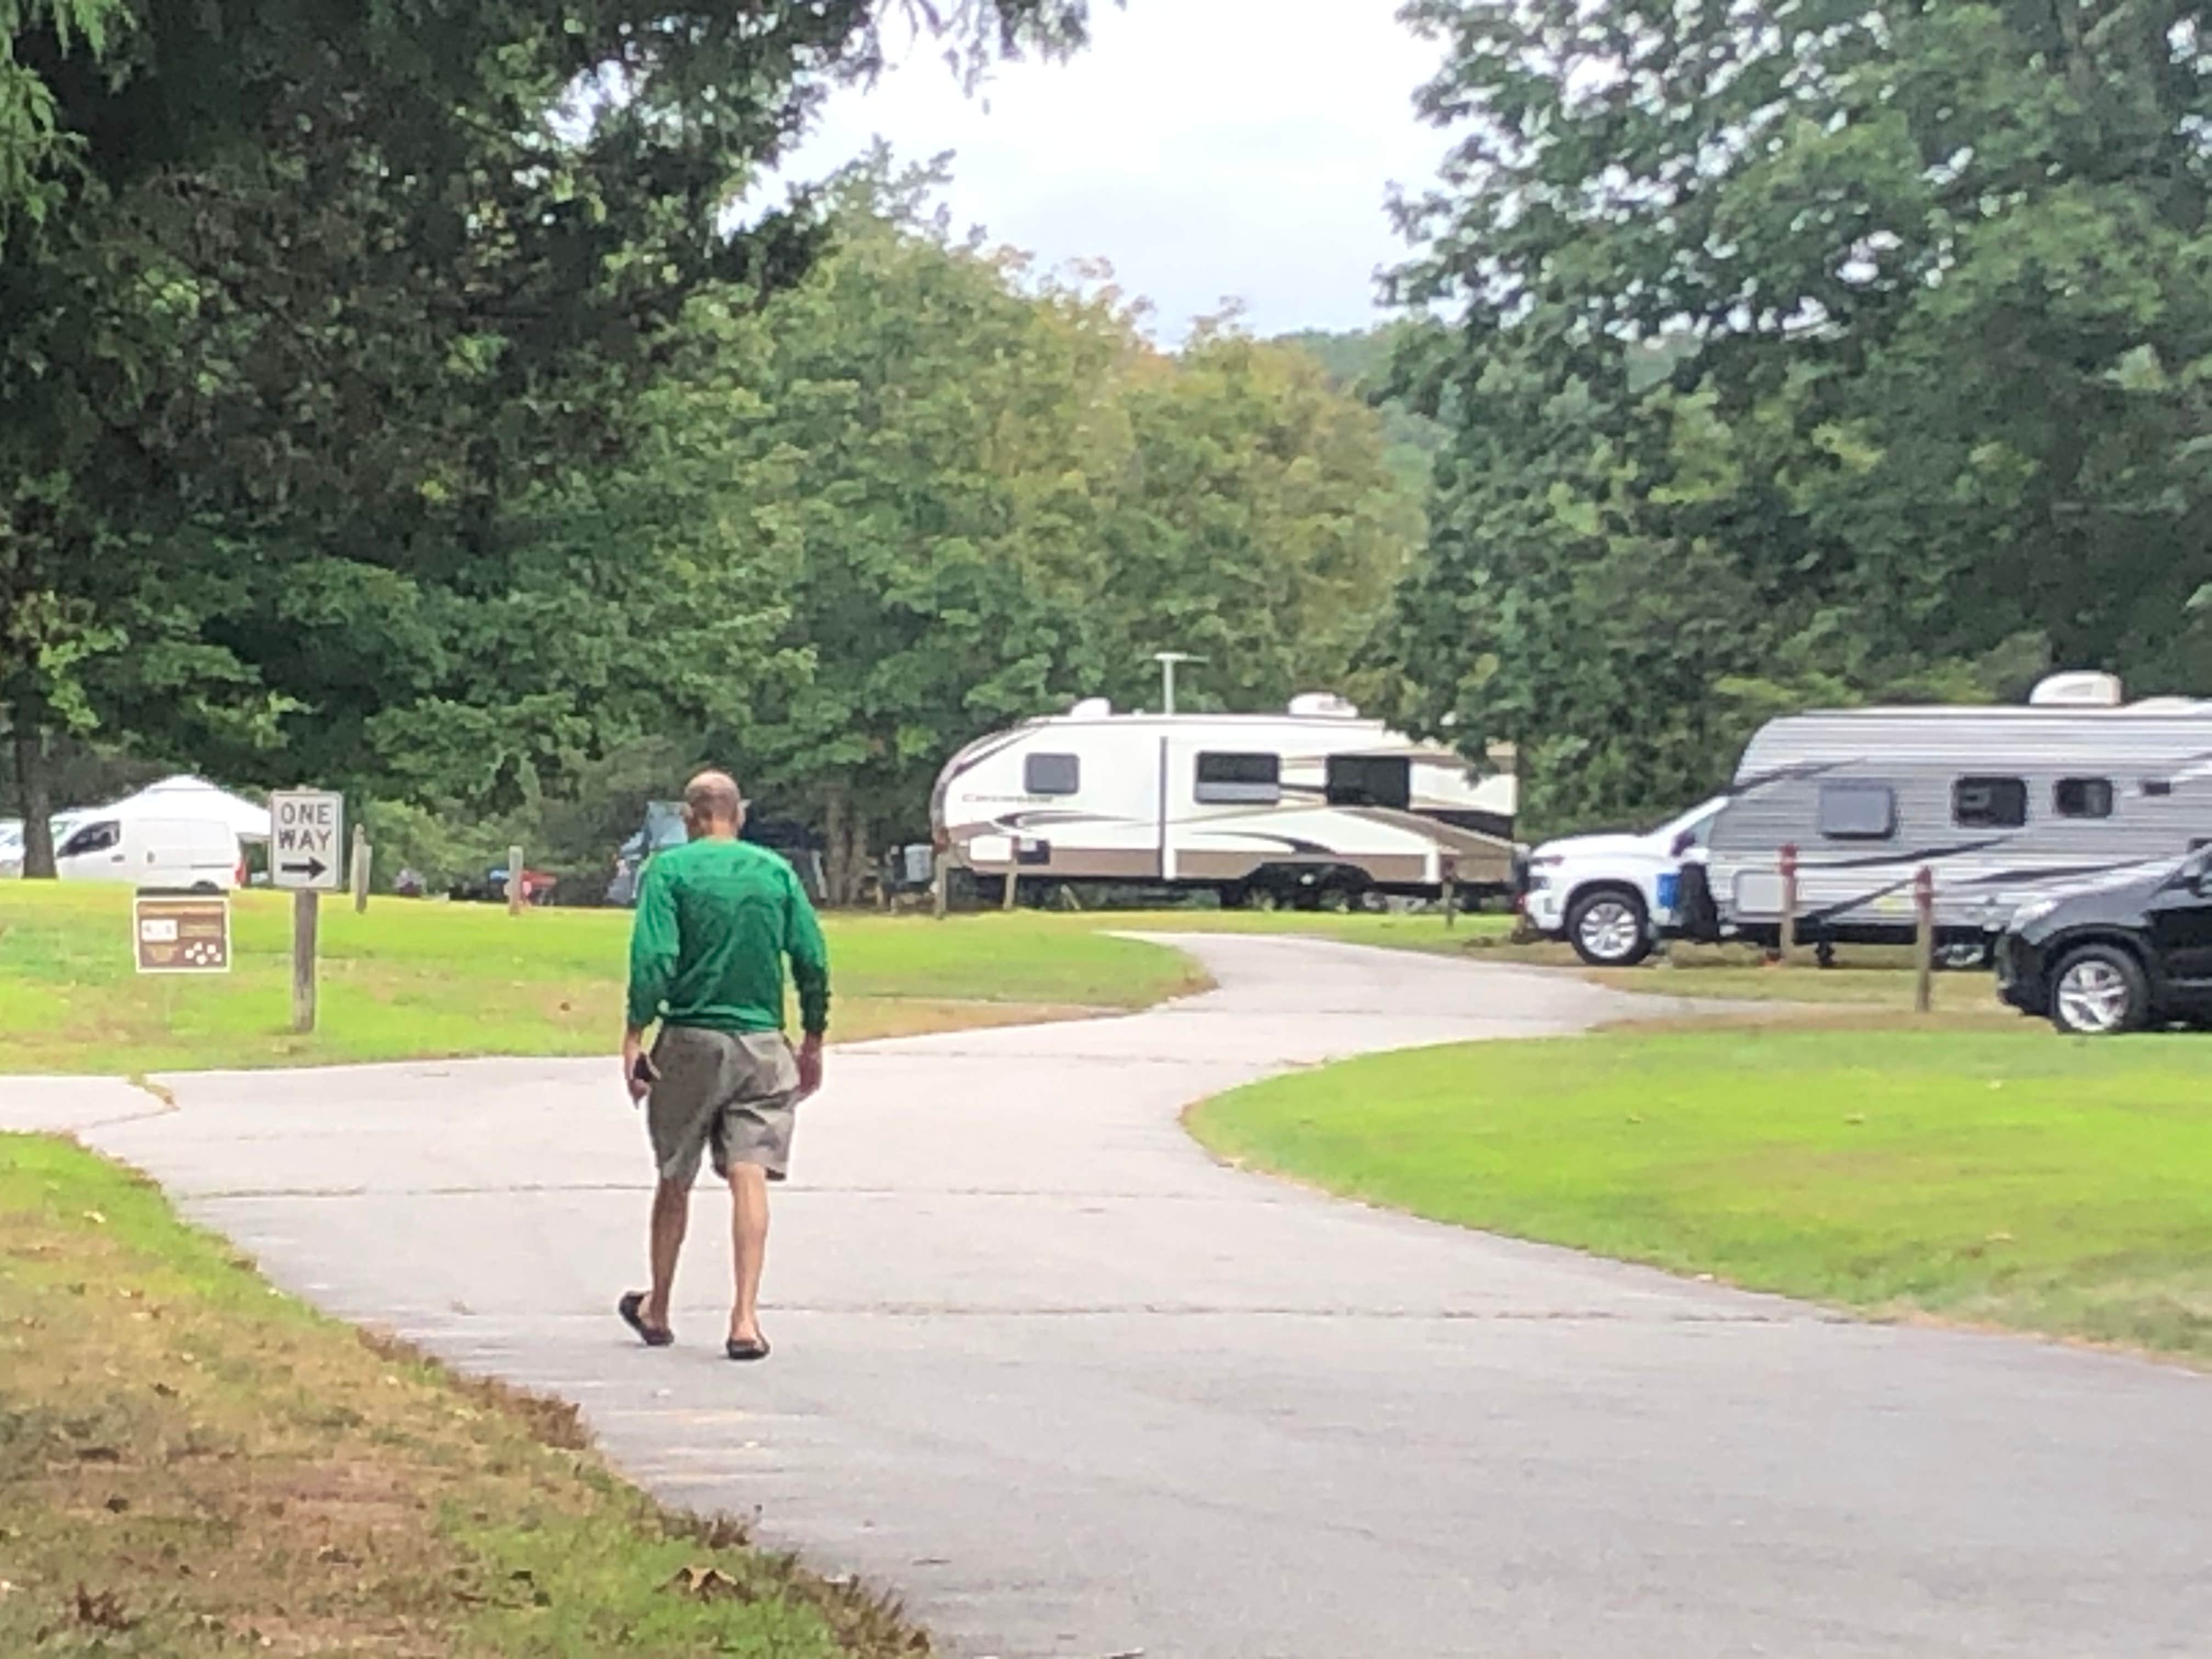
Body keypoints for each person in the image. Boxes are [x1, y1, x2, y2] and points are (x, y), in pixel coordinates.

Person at [618, 769, 828, 1361]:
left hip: (690, 1038)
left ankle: (659, 1306)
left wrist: (635, 1034)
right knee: (749, 1172)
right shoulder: (776, 873)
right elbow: (811, 959)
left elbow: (655, 957)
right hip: (762, 1042)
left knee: (675, 1174)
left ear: (689, 817)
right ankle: (744, 1319)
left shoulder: (669, 871)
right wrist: (813, 1038)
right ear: (741, 814)